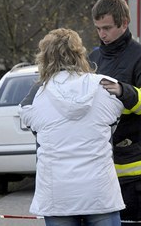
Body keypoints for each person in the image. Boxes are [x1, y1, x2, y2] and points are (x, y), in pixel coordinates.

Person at [19, 28, 125, 226]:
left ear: (45, 57)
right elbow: (117, 116)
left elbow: (28, 118)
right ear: (80, 54)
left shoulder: (37, 94)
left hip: (57, 196)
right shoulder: (104, 85)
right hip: (100, 193)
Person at [88, 0, 141, 226]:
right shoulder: (93, 58)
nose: (102, 34)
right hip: (101, 168)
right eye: (98, 28)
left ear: (124, 23)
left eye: (107, 28)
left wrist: (124, 91)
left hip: (136, 170)